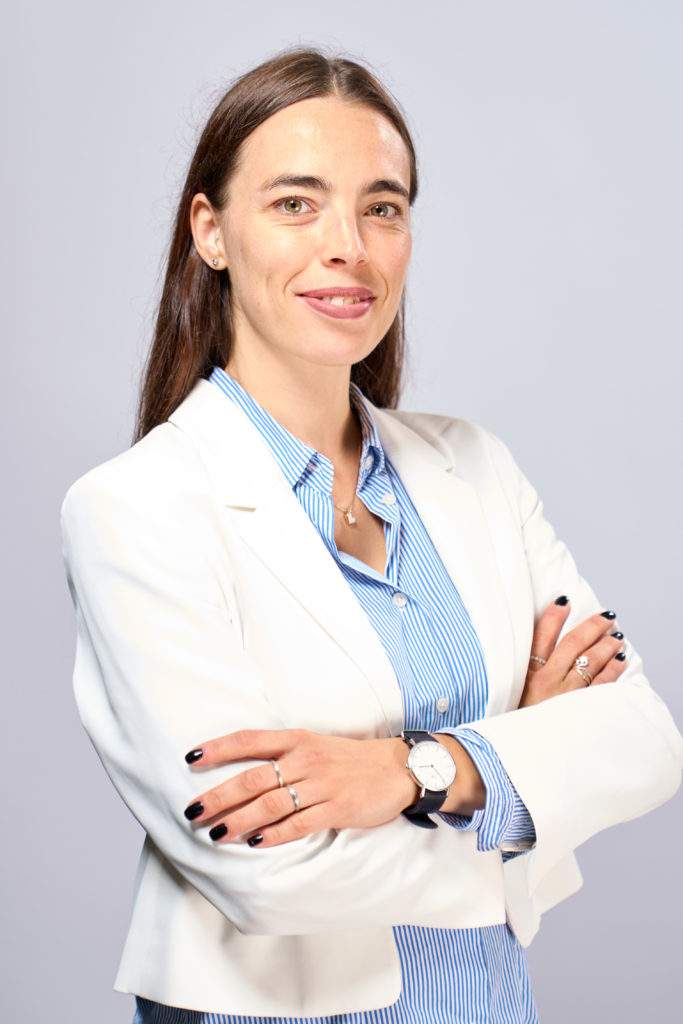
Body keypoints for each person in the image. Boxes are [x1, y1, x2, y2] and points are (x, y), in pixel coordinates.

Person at [59, 46, 682, 1024]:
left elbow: (641, 738)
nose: (346, 245)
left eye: (380, 207)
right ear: (211, 231)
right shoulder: (135, 507)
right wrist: (519, 779)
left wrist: (413, 770)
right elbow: (263, 869)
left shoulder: (474, 467)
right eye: (295, 204)